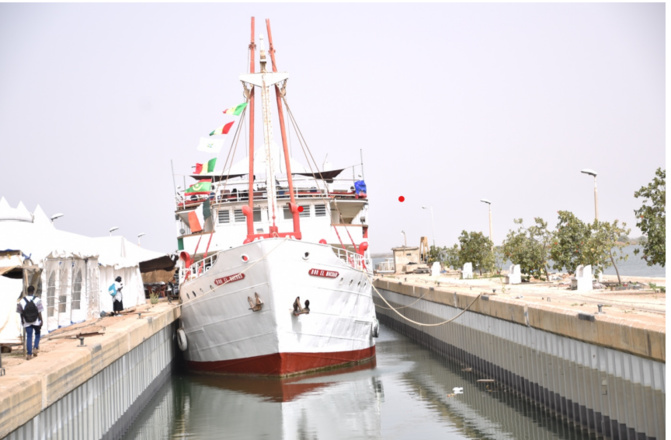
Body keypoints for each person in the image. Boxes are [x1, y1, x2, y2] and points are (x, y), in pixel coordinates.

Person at [16, 285, 43, 360]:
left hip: (27, 321)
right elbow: (39, 312)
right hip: (36, 320)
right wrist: (41, 320)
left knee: (29, 336)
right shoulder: (37, 300)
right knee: (37, 333)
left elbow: (20, 312)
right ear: (33, 291)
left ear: (27, 291)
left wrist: (22, 320)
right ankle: (35, 347)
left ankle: (29, 354)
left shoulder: (22, 300)